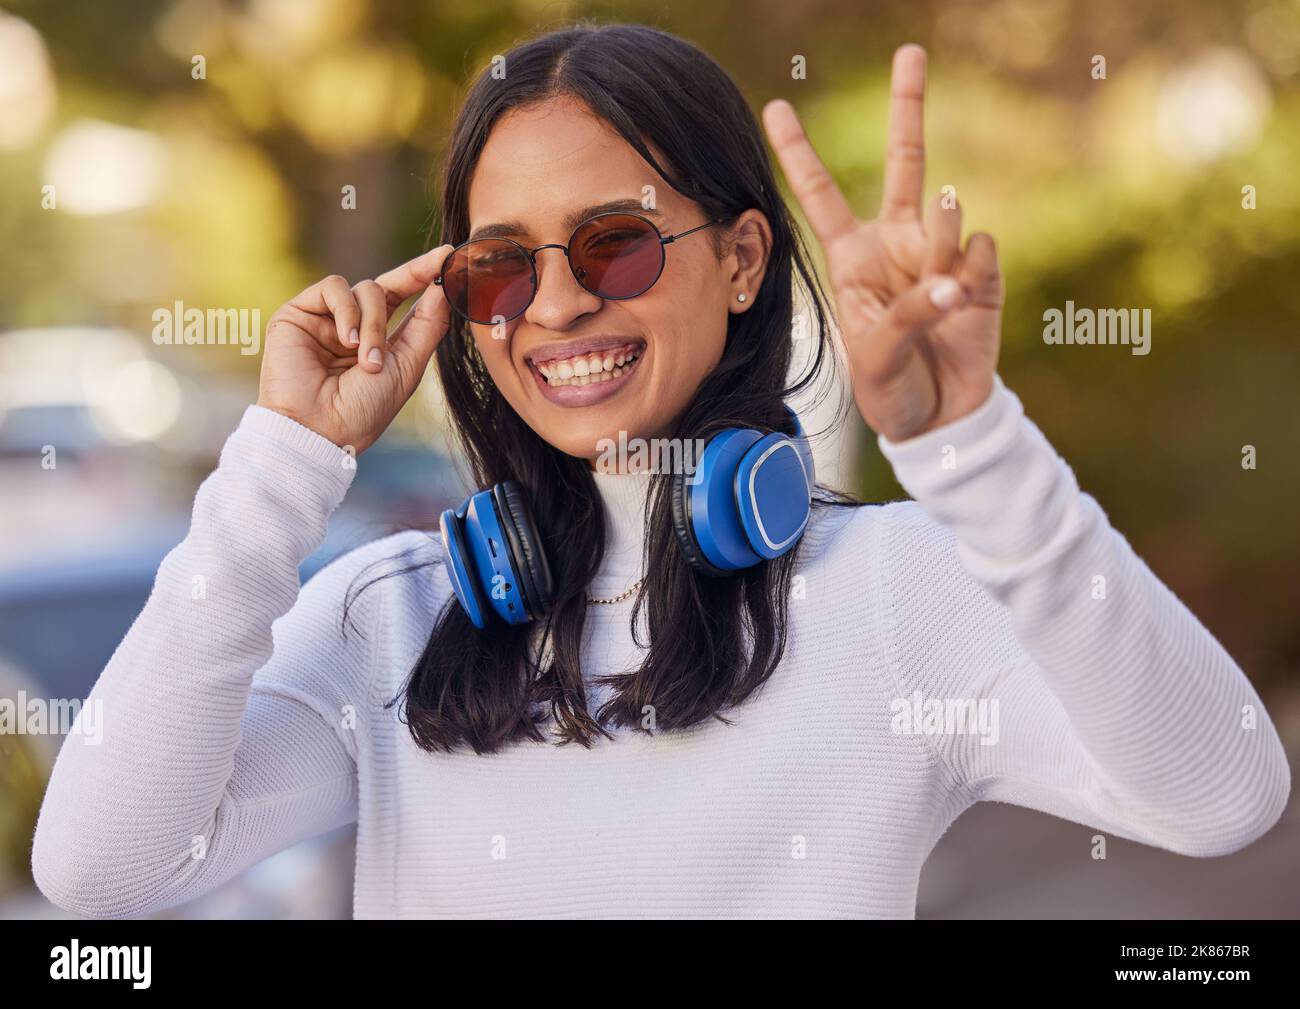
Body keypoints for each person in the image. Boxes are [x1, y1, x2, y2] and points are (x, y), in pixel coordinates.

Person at [31, 23, 1289, 919]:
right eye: (502, 266)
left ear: (744, 261)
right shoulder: (392, 613)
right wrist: (283, 465)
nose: (559, 304)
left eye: (617, 245)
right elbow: (100, 872)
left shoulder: (898, 591)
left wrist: (973, 444)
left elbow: (1222, 793)